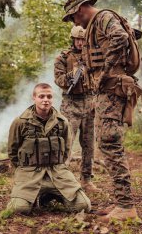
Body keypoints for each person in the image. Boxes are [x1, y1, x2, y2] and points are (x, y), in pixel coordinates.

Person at [62, 0, 140, 222]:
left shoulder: (103, 17)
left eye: (73, 17)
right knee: (106, 143)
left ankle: (126, 206)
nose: (75, 23)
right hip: (106, 91)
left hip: (112, 88)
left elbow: (121, 38)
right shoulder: (94, 25)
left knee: (109, 141)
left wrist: (105, 71)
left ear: (80, 9)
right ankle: (122, 203)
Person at [5, 83, 91, 214]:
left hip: (57, 173)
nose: (46, 100)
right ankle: (33, 197)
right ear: (34, 98)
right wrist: (23, 170)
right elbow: (12, 151)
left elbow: (67, 150)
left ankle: (53, 195)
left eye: (49, 96)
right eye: (41, 96)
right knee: (18, 209)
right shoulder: (20, 122)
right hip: (30, 174)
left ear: (53, 98)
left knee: (83, 206)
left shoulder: (62, 122)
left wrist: (61, 168)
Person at [54, 26, 100, 193]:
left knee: (89, 144)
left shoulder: (93, 56)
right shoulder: (63, 57)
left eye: (83, 39)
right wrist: (71, 75)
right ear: (73, 39)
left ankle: (86, 179)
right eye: (78, 39)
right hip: (70, 104)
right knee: (66, 142)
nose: (80, 43)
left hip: (89, 103)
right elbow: (58, 80)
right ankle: (62, 180)